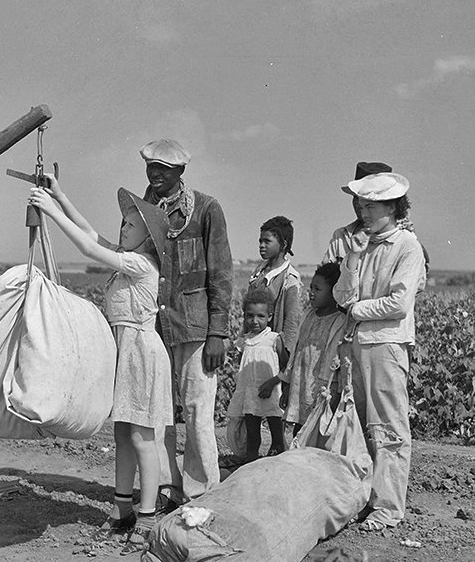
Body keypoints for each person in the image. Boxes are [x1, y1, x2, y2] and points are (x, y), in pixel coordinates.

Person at [28, 178, 173, 553]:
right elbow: (92, 233)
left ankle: (147, 516)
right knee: (123, 434)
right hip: (125, 352)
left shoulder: (141, 264)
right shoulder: (127, 261)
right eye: (124, 222)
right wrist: (60, 195)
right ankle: (122, 507)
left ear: (147, 238)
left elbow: (87, 245)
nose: (122, 228)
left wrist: (49, 210)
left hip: (141, 354)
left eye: (129, 225)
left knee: (143, 438)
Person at [138, 140, 232, 509]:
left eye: (163, 168)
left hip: (195, 327)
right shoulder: (143, 210)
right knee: (158, 411)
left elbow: (222, 273)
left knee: (196, 411)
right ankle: (163, 487)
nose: (155, 174)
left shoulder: (207, 209)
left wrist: (217, 333)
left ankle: (203, 494)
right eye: (151, 167)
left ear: (181, 172)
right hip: (154, 323)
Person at [333, 172, 426, 532]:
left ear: (393, 208)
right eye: (361, 205)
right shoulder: (362, 246)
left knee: (388, 426)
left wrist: (357, 310)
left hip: (386, 345)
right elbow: (342, 296)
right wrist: (353, 259)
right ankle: (362, 498)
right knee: (354, 424)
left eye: (371, 205)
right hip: (357, 344)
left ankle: (388, 507)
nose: (363, 211)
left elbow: (399, 303)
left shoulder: (407, 246)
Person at [271, 262, 348, 436]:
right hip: (301, 382)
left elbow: (339, 359)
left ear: (334, 292)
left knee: (319, 428)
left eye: (317, 289)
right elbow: (298, 350)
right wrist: (288, 384)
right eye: (311, 287)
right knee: (299, 426)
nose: (311, 293)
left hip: (321, 386)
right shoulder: (308, 315)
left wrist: (336, 390)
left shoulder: (340, 322)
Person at [227, 287, 288, 461]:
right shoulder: (244, 341)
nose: (255, 321)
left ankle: (280, 465)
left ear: (269, 317)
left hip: (271, 393)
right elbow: (244, 366)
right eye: (250, 316)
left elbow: (286, 367)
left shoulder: (274, 339)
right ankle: (250, 465)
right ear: (244, 316)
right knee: (252, 435)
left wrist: (273, 382)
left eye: (261, 316)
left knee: (277, 434)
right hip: (250, 394)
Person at [246, 216, 302, 359]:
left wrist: (285, 356)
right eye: (260, 241)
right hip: (253, 346)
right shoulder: (258, 273)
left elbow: (291, 321)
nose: (261, 245)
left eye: (267, 241)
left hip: (274, 352)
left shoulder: (289, 279)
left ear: (283, 244)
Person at [323, 162, 392, 265]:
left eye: (367, 202)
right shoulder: (340, 237)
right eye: (356, 198)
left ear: (388, 205)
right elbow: (324, 276)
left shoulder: (402, 242)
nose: (359, 205)